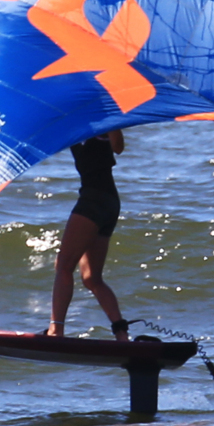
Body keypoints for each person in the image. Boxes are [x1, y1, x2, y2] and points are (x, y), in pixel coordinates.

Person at [46, 130, 130, 342]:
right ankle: (121, 334)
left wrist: (113, 124)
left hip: (94, 201)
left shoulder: (101, 123)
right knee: (91, 277)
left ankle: (56, 331)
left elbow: (118, 147)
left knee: (63, 265)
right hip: (108, 202)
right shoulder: (76, 126)